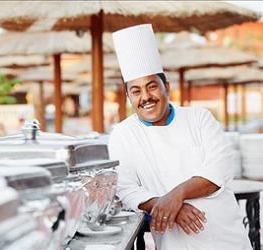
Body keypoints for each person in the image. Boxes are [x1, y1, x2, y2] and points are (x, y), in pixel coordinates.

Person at [108, 24, 251, 250]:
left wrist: (177, 194)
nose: (145, 97)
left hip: (225, 237)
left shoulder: (199, 117)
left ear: (166, 87)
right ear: (128, 96)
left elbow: (220, 168)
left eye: (152, 86)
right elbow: (126, 189)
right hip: (175, 242)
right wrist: (165, 204)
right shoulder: (122, 135)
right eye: (135, 91)